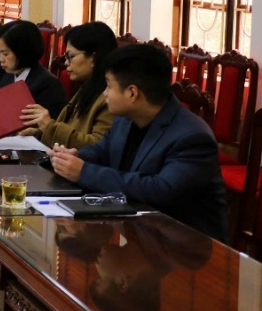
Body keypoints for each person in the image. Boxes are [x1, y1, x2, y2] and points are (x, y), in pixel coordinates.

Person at [48, 43, 230, 243]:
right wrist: (71, 159)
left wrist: (84, 171)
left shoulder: (192, 137)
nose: (104, 94)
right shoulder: (125, 119)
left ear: (132, 93)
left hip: (186, 246)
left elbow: (160, 190)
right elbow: (101, 151)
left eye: (108, 86)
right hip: (140, 233)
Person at [19, 22, 117, 147]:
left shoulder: (109, 97)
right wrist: (40, 133)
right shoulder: (87, 87)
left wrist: (49, 127)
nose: (66, 62)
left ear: (93, 58)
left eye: (70, 56)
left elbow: (97, 146)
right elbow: (72, 130)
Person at [0, 20, 68, 116]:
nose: (0, 59)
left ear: (22, 51)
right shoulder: (9, 76)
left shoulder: (48, 86)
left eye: (5, 54)